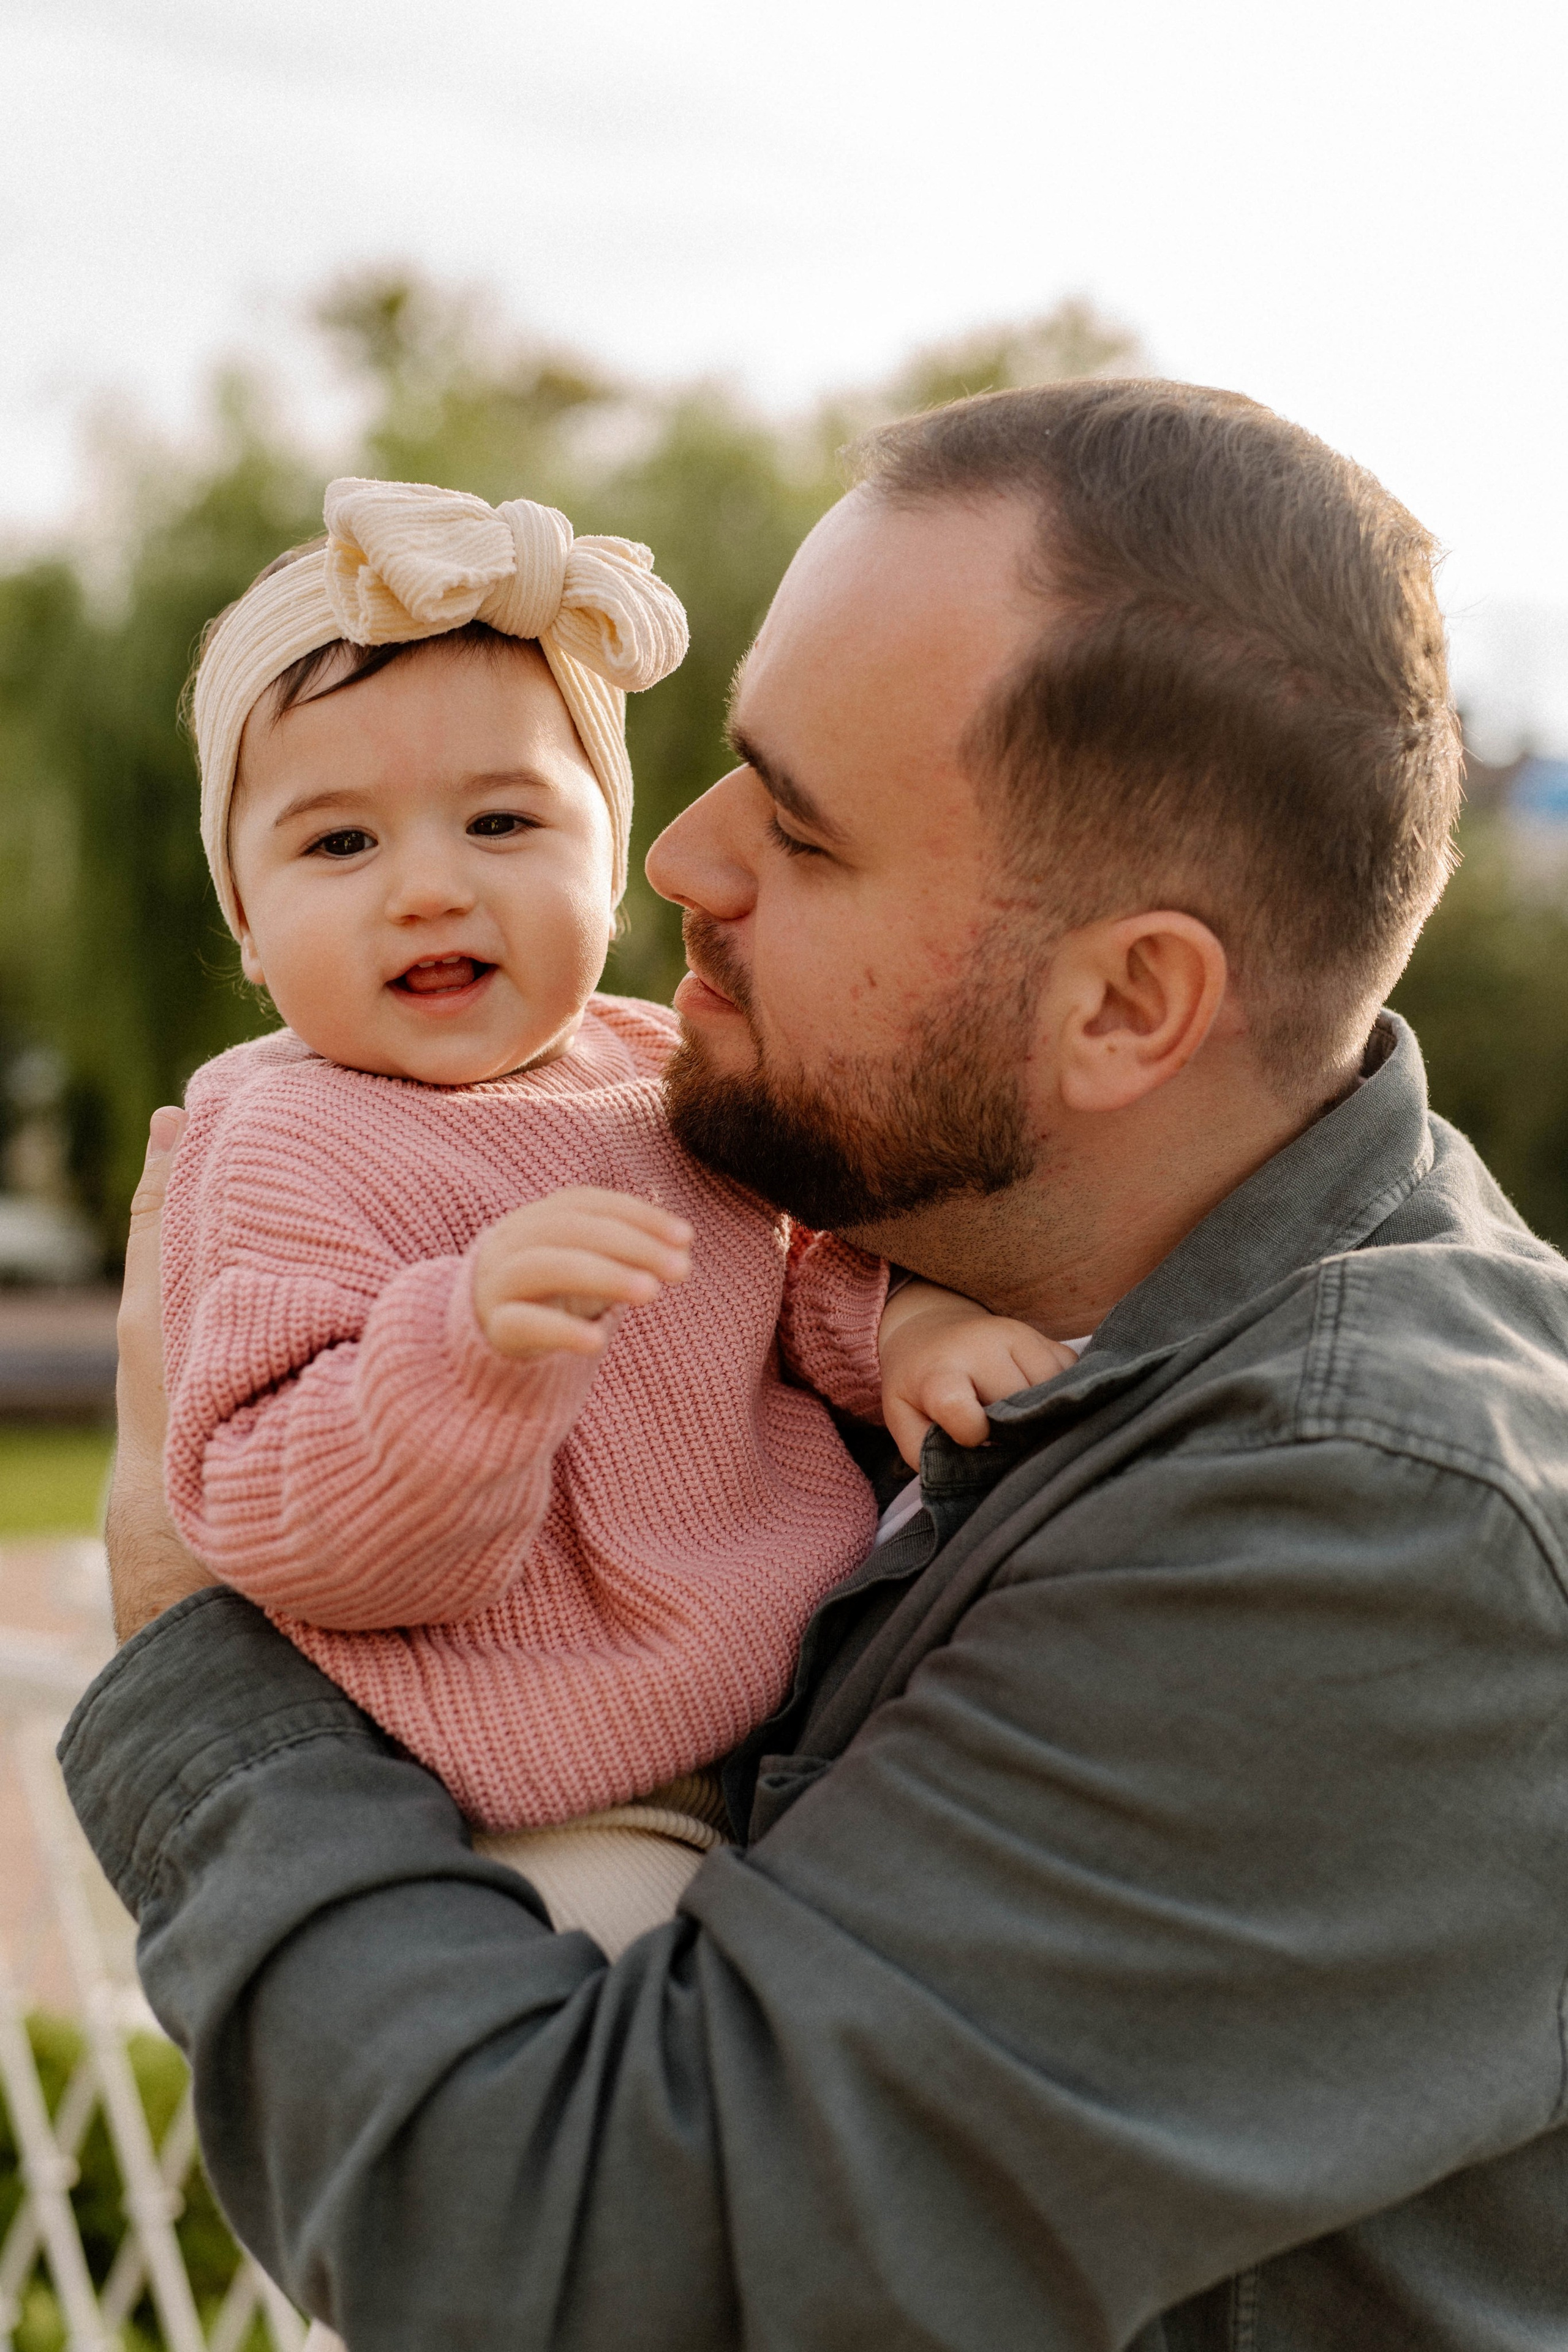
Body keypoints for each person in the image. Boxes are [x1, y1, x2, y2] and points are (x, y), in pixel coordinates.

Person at [66, 380, 1568, 2349]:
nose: (679, 856)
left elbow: (574, 2264)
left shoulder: (1376, 1526)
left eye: (802, 822)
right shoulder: (1110, 1330)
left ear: (1127, 1002)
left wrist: (194, 1647)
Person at [160, 475, 1060, 1951]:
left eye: (501, 820)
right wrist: (463, 1354)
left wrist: (905, 1326)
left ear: (610, 857)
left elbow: (791, 1269)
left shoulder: (653, 1069)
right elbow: (282, 1515)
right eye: (340, 846)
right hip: (547, 1795)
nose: (431, 889)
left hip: (808, 1717)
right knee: (639, 2054)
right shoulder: (279, 1141)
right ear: (247, 925)